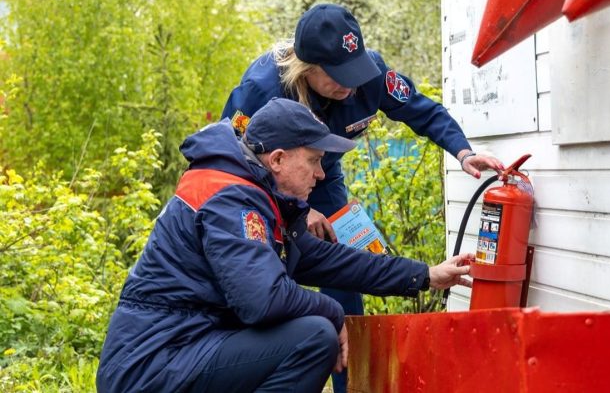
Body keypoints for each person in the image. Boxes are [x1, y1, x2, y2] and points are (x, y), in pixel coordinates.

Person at [95, 98, 474, 393]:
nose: (321, 174)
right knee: (314, 337)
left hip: (186, 349)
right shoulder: (231, 199)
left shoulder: (257, 196)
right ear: (277, 159)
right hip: (152, 366)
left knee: (312, 330)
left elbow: (332, 262)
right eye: (313, 160)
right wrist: (332, 310)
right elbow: (262, 301)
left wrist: (426, 275)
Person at [221, 3, 502, 392]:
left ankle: (348, 385)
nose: (350, 87)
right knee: (268, 270)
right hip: (266, 184)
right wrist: (298, 213)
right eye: (338, 78)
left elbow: (422, 111)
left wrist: (464, 152)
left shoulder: (368, 73)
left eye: (354, 74)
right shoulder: (261, 88)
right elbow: (230, 165)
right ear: (308, 68)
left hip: (325, 174)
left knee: (345, 269)